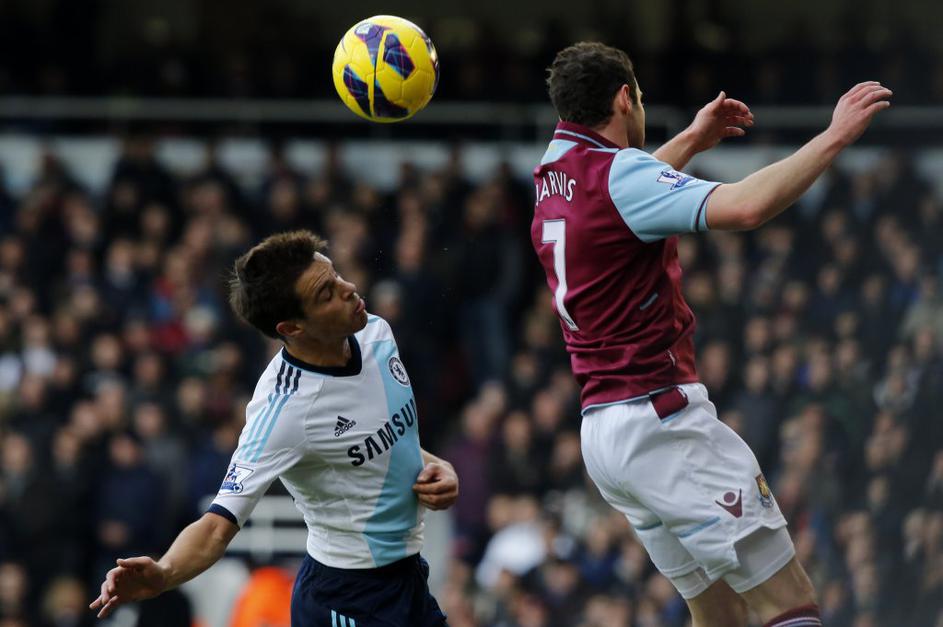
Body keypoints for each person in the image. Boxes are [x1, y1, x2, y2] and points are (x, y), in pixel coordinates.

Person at [532, 42, 891, 627]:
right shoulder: (620, 176)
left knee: (719, 614)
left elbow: (621, 195)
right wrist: (834, 137)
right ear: (624, 99)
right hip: (660, 420)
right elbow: (746, 207)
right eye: (640, 96)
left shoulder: (554, 173)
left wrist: (693, 141)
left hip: (603, 433)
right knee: (789, 602)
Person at [90, 230, 458, 626]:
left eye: (335, 275)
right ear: (292, 328)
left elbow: (386, 435)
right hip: (348, 598)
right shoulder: (283, 411)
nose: (348, 289)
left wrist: (438, 466)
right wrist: (164, 573)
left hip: (408, 577)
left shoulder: (375, 332)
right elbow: (216, 527)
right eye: (326, 294)